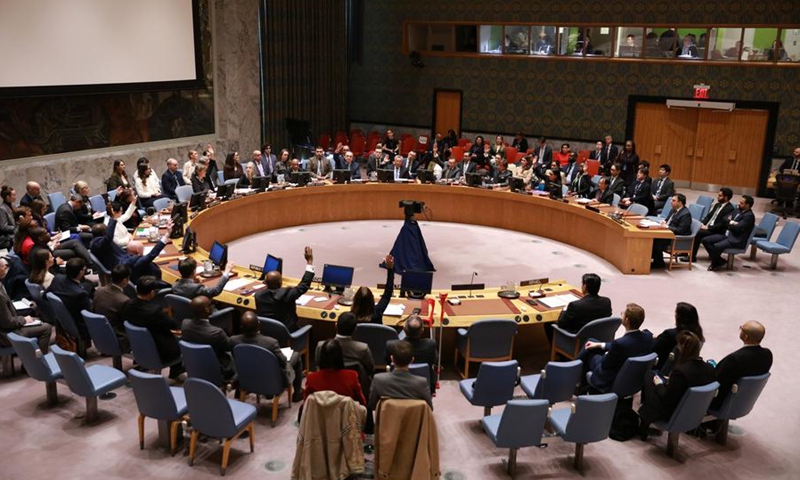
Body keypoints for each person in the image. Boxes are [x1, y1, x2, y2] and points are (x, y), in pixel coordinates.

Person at [638, 331, 714, 440]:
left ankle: (644, 419)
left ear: (682, 347)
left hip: (673, 411)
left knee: (650, 375)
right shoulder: (709, 368)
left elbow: (666, 397)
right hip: (695, 410)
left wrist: (659, 384)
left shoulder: (680, 371)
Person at [579, 303, 654, 392]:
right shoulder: (648, 336)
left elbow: (605, 364)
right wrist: (601, 345)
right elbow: (628, 345)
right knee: (593, 342)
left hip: (608, 377)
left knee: (590, 351)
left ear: (626, 320)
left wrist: (605, 353)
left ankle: (575, 376)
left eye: (623, 313)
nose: (621, 314)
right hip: (631, 376)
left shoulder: (619, 344)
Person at [230, 311, 304, 401]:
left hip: (247, 377)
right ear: (258, 325)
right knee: (296, 356)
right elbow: (283, 362)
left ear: (241, 327)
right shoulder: (270, 343)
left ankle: (240, 391)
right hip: (272, 380)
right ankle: (297, 394)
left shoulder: (233, 341)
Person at [123, 276, 184, 379]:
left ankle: (176, 371)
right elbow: (173, 325)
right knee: (181, 339)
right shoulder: (155, 311)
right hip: (160, 350)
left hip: (139, 347)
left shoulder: (128, 305)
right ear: (151, 292)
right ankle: (176, 370)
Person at [710, 321, 772, 410]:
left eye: (741, 329)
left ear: (746, 336)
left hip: (722, 403)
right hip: (743, 401)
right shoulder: (767, 354)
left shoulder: (734, 359)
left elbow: (716, 382)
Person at [90, 217, 173, 284]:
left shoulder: (97, 242)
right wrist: (166, 235)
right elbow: (152, 255)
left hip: (123, 262)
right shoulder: (98, 244)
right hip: (137, 275)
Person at [255, 246, 314, 332]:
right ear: (280, 283)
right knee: (309, 329)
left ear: (265, 283)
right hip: (287, 334)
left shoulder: (258, 296)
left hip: (267, 332)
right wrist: (310, 261)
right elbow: (304, 285)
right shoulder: (287, 294)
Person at [0, 257, 52, 352]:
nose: (5, 268)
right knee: (46, 328)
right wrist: (24, 319)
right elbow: (8, 322)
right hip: (6, 334)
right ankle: (38, 363)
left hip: (6, 328)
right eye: (2, 266)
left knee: (37, 320)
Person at [180, 296, 234, 380]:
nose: (213, 306)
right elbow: (228, 347)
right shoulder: (216, 332)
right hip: (215, 367)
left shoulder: (185, 324)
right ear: (207, 310)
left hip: (193, 363)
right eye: (211, 304)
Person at [369, 340, 432, 410]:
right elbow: (429, 408)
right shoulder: (421, 383)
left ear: (392, 359)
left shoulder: (378, 380)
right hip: (413, 420)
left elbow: (372, 406)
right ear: (412, 360)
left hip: (388, 419)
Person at [303, 339, 366, 407]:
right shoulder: (352, 376)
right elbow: (362, 402)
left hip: (319, 417)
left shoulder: (311, 379)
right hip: (346, 417)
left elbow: (306, 404)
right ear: (340, 356)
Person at [316, 312, 375, 382]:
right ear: (355, 329)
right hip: (354, 384)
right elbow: (371, 370)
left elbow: (318, 367)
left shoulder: (321, 346)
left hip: (326, 384)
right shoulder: (363, 348)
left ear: (336, 326)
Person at [702, 195, 756, 271]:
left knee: (717, 246)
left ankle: (714, 263)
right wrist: (732, 222)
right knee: (705, 240)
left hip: (736, 239)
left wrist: (729, 223)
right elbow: (724, 219)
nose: (739, 204)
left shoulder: (749, 216)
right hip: (727, 234)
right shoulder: (737, 210)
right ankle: (719, 260)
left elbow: (737, 229)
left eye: (741, 203)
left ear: (747, 205)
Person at [386, 315, 438, 392]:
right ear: (422, 331)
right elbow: (435, 360)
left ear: (404, 329)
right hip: (425, 385)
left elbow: (388, 362)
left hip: (398, 384)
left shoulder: (391, 345)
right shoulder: (430, 344)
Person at [47, 258, 93, 342]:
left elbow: (45, 295)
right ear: (81, 272)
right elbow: (89, 314)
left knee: (88, 285)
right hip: (78, 324)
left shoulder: (57, 278)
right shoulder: (80, 294)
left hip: (61, 319)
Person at [652, 302, 705, 373]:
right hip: (686, 369)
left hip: (663, 370)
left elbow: (655, 350)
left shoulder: (670, 335)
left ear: (679, 317)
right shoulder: (698, 335)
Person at [93, 264, 133, 352]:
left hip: (99, 334)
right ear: (125, 280)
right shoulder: (124, 300)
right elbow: (130, 325)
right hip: (119, 339)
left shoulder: (99, 291)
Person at [692, 188, 735, 262]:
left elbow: (722, 224)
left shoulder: (729, 208)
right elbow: (709, 216)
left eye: (720, 196)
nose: (718, 197)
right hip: (710, 227)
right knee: (694, 228)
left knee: (698, 233)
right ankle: (686, 252)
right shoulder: (717, 205)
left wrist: (708, 227)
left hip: (717, 231)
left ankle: (692, 257)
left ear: (726, 197)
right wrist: (702, 223)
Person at [651, 194, 692, 269]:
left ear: (680, 202)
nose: (670, 202)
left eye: (673, 200)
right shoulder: (673, 209)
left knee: (656, 241)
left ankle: (659, 263)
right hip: (668, 233)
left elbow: (680, 231)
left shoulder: (686, 214)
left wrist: (667, 227)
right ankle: (654, 259)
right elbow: (667, 221)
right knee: (652, 237)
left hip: (677, 238)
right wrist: (663, 222)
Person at [351, 255, 394, 324]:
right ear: (372, 299)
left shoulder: (350, 317)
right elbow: (387, 294)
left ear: (355, 300)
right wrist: (390, 269)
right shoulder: (377, 311)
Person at [0, 186, 17, 250]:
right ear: (7, 197)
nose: (15, 197)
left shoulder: (13, 205)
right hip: (8, 236)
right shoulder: (2, 209)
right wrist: (16, 227)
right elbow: (3, 227)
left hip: (15, 231)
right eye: (14, 195)